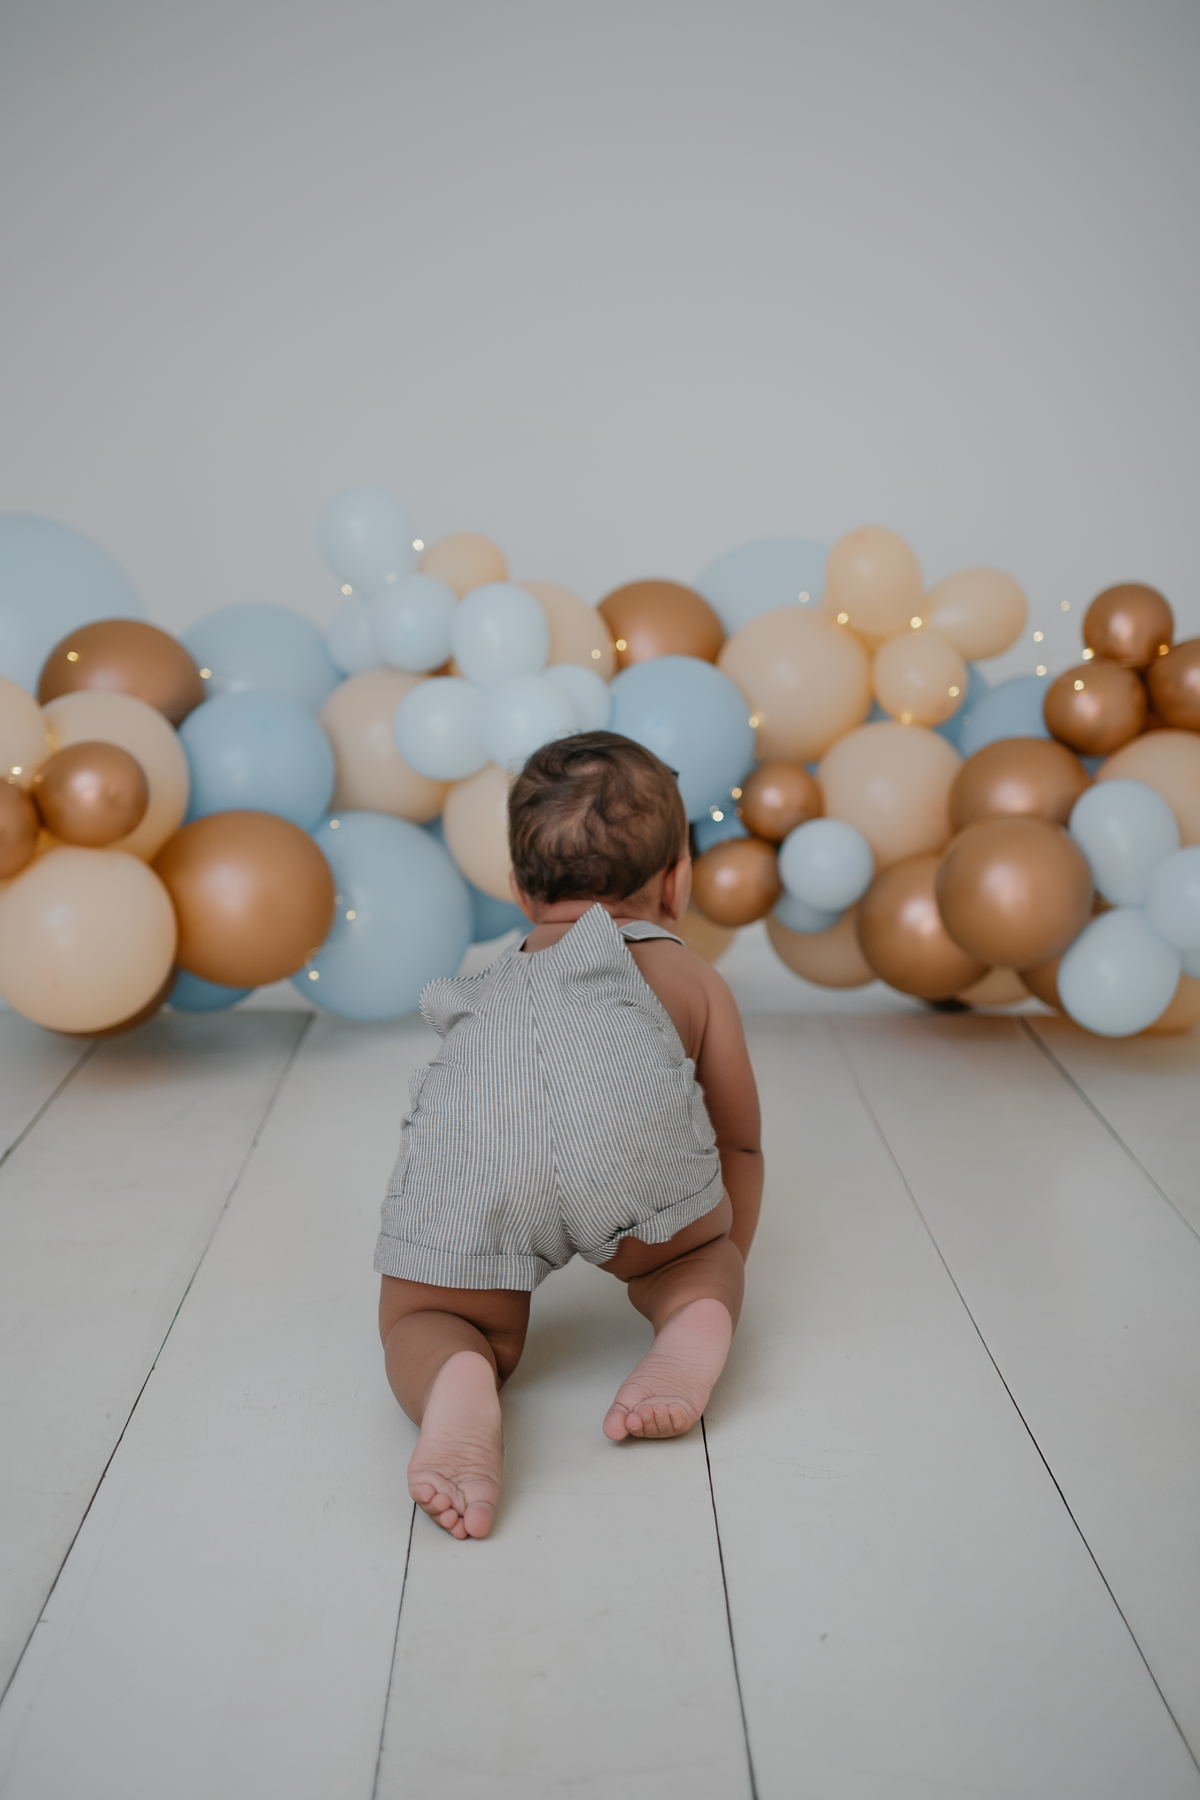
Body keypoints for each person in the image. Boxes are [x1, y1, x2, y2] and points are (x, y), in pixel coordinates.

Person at [375, 730, 763, 1540]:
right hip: (632, 1165)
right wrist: (711, 1257)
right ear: (677, 881)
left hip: (482, 1153)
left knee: (425, 1312)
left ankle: (458, 1378)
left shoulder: (496, 983)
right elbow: (740, 1144)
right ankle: (690, 1321)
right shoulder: (690, 978)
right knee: (692, 1260)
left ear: (520, 890)